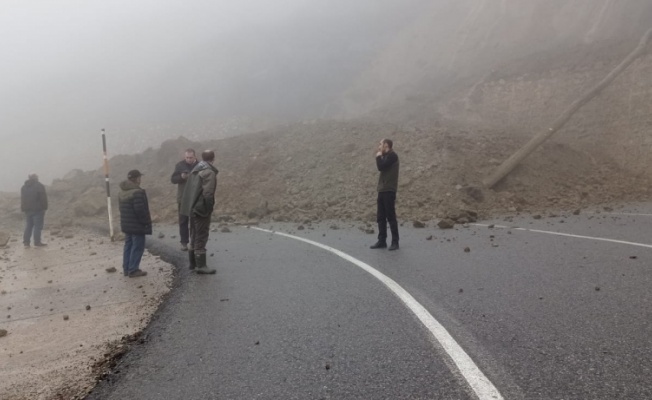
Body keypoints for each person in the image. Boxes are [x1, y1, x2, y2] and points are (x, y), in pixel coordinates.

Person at [180, 150, 218, 275]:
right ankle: (201, 265)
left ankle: (193, 264)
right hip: (201, 208)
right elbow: (208, 193)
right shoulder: (209, 172)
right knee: (201, 235)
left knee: (194, 235)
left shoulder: (195, 170)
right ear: (213, 159)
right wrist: (209, 208)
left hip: (191, 207)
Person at [118, 170, 152, 278]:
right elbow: (140, 210)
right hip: (137, 225)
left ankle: (127, 269)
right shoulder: (137, 192)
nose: (140, 179)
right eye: (139, 177)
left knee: (128, 245)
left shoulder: (122, 192)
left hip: (127, 224)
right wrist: (146, 222)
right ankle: (133, 270)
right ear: (136, 179)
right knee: (137, 246)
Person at [370, 139, 400, 251]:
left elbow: (381, 167)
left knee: (390, 217)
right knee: (381, 217)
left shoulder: (392, 156)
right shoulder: (386, 156)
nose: (379, 147)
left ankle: (395, 242)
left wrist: (378, 156)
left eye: (380, 144)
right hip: (382, 190)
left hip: (389, 190)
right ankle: (382, 241)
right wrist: (380, 156)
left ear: (386, 145)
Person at [170, 149, 198, 251]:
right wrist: (181, 177)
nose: (189, 160)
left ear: (195, 157)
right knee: (183, 221)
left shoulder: (200, 165)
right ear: (184, 157)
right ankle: (184, 242)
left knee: (195, 221)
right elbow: (173, 179)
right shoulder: (179, 165)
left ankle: (194, 242)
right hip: (182, 198)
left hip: (196, 197)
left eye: (191, 157)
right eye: (187, 158)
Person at [21, 173, 48, 248]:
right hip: (38, 210)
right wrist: (45, 207)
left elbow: (23, 199)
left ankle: (26, 242)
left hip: (28, 210)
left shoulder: (24, 187)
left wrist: (24, 209)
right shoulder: (39, 186)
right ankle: (37, 242)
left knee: (28, 226)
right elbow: (43, 199)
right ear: (36, 178)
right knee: (37, 226)